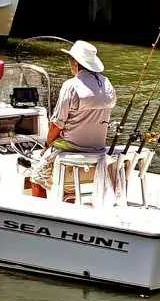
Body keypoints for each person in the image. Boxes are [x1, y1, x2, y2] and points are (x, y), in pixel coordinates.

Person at [30, 41, 116, 199]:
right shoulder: (107, 84)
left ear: (75, 62)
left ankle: (39, 213)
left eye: (69, 59)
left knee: (36, 174)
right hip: (97, 148)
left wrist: (46, 146)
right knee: (62, 178)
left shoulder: (71, 86)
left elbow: (56, 125)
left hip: (72, 147)